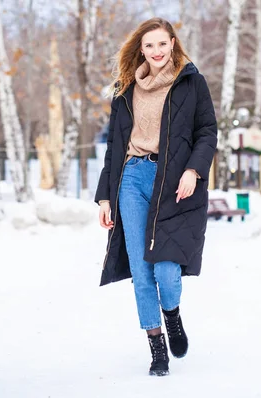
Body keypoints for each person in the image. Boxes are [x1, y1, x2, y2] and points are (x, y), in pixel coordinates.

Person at [94, 17, 217, 377]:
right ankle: (156, 347)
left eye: (162, 44)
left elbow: (207, 130)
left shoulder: (191, 82)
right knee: (141, 269)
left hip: (174, 180)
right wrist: (105, 197)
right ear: (141, 49)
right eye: (149, 45)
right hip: (132, 178)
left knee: (166, 269)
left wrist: (194, 170)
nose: (157, 51)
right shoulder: (126, 87)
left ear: (173, 43)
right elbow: (114, 145)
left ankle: (172, 314)